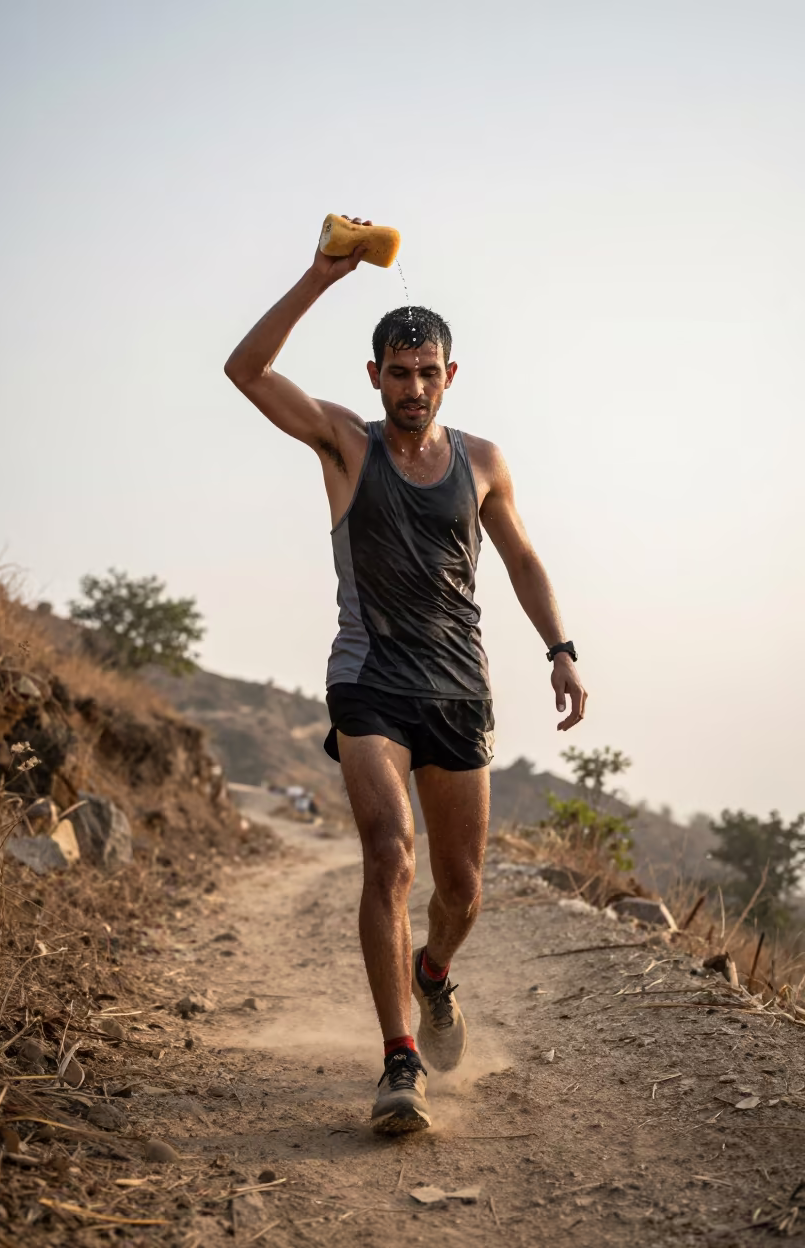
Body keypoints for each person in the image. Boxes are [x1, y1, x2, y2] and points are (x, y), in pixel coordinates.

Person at [224, 217, 588, 1135]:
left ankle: (434, 974)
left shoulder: (485, 464)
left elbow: (523, 561)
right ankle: (399, 1064)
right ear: (375, 376)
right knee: (390, 855)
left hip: (459, 690)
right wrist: (319, 278)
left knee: (461, 891)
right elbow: (247, 372)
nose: (414, 387)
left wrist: (560, 648)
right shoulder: (348, 446)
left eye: (430, 372)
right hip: (369, 681)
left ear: (449, 377)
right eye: (399, 372)